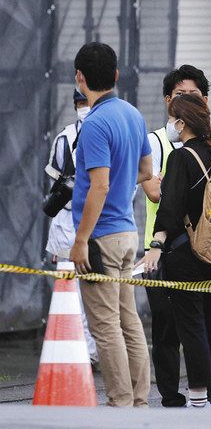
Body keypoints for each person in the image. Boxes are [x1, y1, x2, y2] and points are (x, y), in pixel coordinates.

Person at [140, 64, 211, 407]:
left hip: (184, 252)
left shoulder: (182, 157)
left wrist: (157, 243)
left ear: (182, 123)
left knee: (191, 324)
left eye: (176, 120)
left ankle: (197, 393)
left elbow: (169, 206)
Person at [69, 42, 152, 407]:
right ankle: (139, 399)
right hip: (127, 232)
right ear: (116, 76)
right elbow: (148, 172)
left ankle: (120, 402)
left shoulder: (94, 124)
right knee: (128, 320)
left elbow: (98, 186)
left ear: (80, 78)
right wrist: (122, 182)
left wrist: (80, 240)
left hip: (100, 236)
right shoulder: (133, 115)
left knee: (105, 325)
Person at [44, 89, 97, 363]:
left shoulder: (105, 132)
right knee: (70, 291)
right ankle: (81, 352)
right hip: (67, 221)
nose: (83, 107)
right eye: (79, 103)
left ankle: (93, 350)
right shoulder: (65, 137)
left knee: (96, 289)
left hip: (99, 218)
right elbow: (56, 185)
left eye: (86, 102)